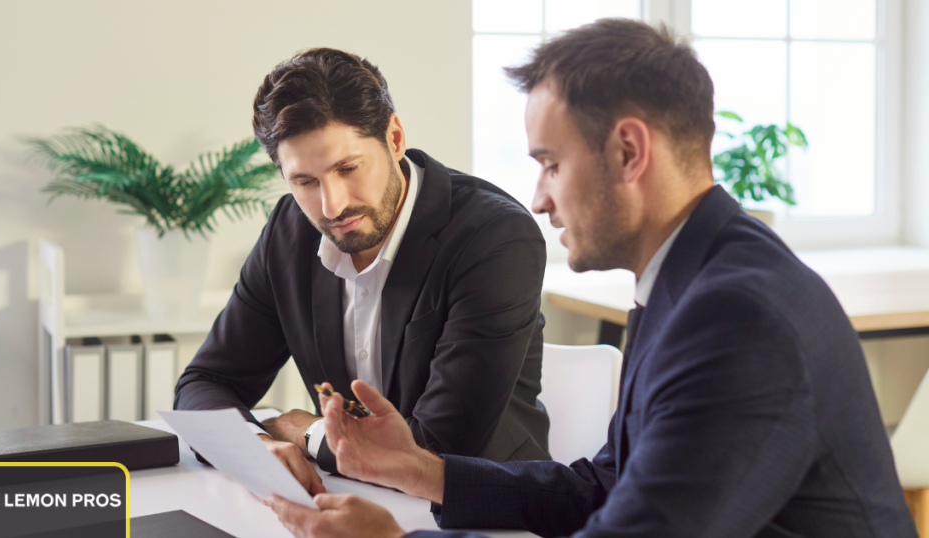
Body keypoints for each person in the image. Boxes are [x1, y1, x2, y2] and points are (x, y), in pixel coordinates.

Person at [264, 20, 918, 538]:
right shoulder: (692, 277)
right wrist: (419, 469)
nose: (539, 198)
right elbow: (603, 488)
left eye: (551, 164)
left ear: (629, 152)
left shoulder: (736, 317)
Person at [174, 47, 551, 495]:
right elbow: (206, 382)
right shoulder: (290, 232)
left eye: (348, 168)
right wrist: (255, 443)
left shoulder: (496, 238)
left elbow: (437, 449)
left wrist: (301, 430)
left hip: (481, 508)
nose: (332, 206)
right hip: (348, 497)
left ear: (395, 138)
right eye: (305, 182)